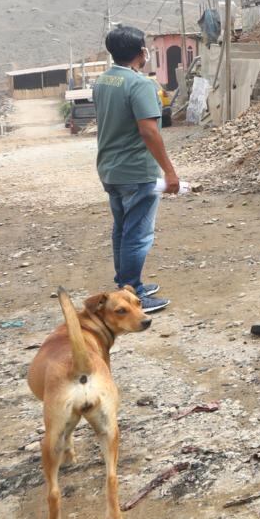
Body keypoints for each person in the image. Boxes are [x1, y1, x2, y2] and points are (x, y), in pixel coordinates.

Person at [93, 25, 176, 312]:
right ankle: (132, 291)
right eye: (147, 48)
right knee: (138, 233)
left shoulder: (104, 81)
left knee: (122, 229)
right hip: (136, 170)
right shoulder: (140, 85)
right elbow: (149, 131)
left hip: (109, 168)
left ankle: (126, 283)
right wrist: (170, 172)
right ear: (141, 52)